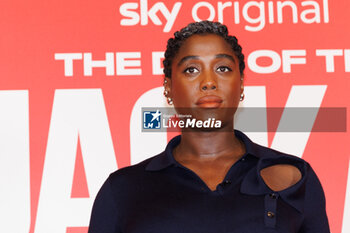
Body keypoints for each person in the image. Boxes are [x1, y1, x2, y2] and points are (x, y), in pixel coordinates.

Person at [88, 21, 330, 233]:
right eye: (191, 70)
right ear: (168, 88)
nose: (209, 82)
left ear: (242, 83)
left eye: (222, 68)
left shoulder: (295, 177)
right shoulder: (122, 190)